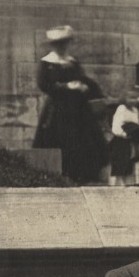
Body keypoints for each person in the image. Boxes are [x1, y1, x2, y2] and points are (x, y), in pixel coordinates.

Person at [33, 25, 106, 183]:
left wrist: (86, 87)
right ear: (52, 45)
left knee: (83, 141)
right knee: (58, 140)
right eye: (58, 44)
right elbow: (44, 84)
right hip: (58, 110)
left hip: (78, 110)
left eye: (65, 43)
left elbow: (83, 79)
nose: (62, 47)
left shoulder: (72, 62)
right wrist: (66, 86)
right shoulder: (47, 63)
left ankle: (81, 175)